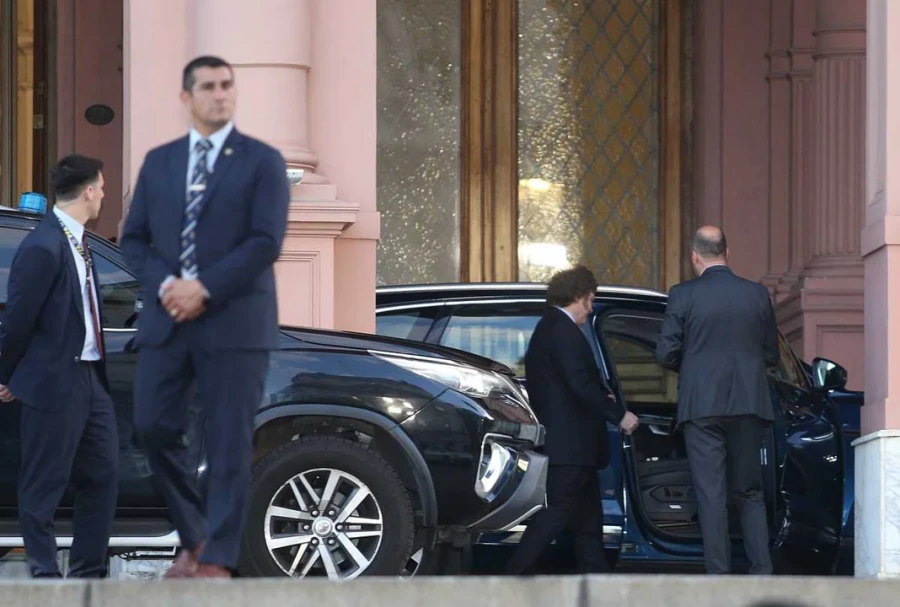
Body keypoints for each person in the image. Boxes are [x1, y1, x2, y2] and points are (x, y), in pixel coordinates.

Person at [119, 55, 290, 579]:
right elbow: (133, 240)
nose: (221, 95)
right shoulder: (160, 162)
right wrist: (169, 286)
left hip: (236, 321)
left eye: (227, 86)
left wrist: (205, 287)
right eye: (209, 86)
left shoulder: (262, 161)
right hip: (169, 319)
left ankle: (217, 558)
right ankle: (194, 534)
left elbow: (265, 241)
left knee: (228, 441)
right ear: (186, 97)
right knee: (151, 425)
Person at [0, 154, 118, 578]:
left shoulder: (80, 241)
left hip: (91, 379)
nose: (103, 195)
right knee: (43, 486)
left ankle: (87, 574)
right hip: (53, 381)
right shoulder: (43, 244)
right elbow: (18, 318)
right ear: (87, 191)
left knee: (103, 475)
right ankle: (45, 579)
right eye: (101, 187)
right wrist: (6, 374)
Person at [655, 226, 779, 575]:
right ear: (728, 252)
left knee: (711, 496)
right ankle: (762, 573)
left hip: (701, 407)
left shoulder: (682, 294)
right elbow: (771, 354)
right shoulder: (757, 294)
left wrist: (695, 367)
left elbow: (665, 353)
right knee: (750, 492)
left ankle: (719, 579)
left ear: (694, 256)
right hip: (748, 403)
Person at [505, 265, 640, 575]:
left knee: (588, 521)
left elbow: (571, 383)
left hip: (574, 447)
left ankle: (595, 577)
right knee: (556, 514)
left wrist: (602, 395)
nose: (591, 309)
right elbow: (579, 383)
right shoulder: (562, 331)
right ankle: (511, 577)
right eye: (590, 300)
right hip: (570, 446)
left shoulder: (551, 327)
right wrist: (619, 415)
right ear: (578, 296)